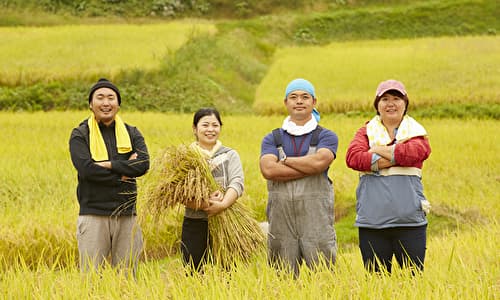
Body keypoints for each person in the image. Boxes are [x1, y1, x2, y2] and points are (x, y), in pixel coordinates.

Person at [345, 79, 431, 273]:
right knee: (376, 282)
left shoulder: (417, 132)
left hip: (409, 222)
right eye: (385, 99)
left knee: (413, 281)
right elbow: (353, 157)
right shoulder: (365, 131)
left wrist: (376, 150)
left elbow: (417, 152)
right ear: (377, 105)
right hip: (372, 221)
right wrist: (396, 156)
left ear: (405, 103)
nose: (390, 103)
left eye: (396, 98)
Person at [69, 78, 150, 275]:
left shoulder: (132, 133)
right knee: (91, 278)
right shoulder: (81, 134)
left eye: (111, 98)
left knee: (128, 277)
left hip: (127, 216)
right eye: (100, 98)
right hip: (93, 215)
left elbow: (143, 164)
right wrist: (124, 172)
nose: (106, 103)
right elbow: (87, 170)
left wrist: (110, 165)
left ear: (118, 104)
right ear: (91, 104)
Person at [259, 78, 338, 276]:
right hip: (281, 219)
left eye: (305, 97)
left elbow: (320, 163)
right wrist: (309, 166)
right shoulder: (273, 137)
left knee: (324, 275)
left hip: (316, 218)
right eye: (293, 97)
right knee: (282, 277)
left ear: (314, 102)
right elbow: (268, 170)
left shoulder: (326, 136)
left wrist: (285, 161)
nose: (299, 101)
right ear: (286, 103)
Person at [181, 107, 245, 271]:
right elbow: (179, 192)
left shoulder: (230, 154)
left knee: (227, 274)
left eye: (215, 125)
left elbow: (237, 182)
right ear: (195, 129)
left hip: (227, 221)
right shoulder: (185, 157)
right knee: (193, 274)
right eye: (205, 125)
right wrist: (205, 204)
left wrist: (223, 204)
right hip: (194, 223)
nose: (210, 129)